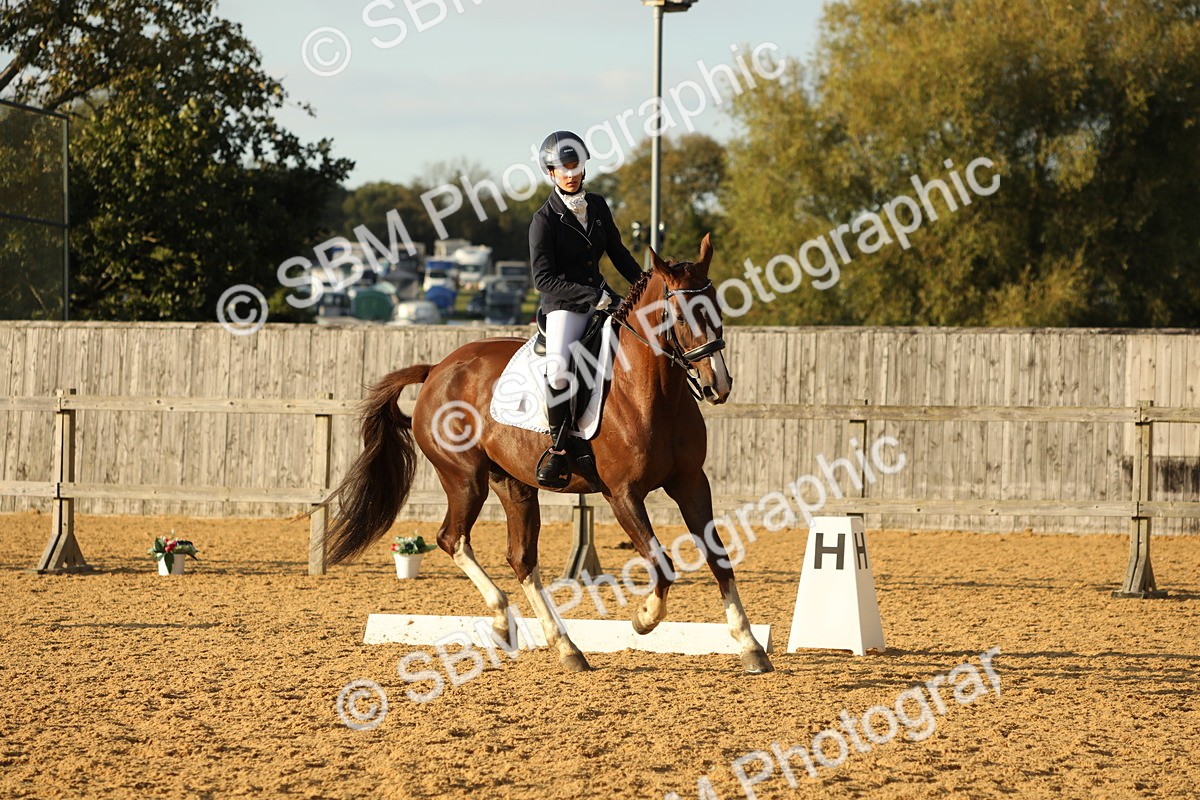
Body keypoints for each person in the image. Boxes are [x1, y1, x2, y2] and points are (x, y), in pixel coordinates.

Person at [529, 130, 643, 489]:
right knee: (561, 368)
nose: (570, 173)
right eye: (562, 168)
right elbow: (543, 279)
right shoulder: (543, 220)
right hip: (565, 305)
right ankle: (559, 448)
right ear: (550, 173)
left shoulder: (597, 205)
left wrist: (647, 286)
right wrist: (591, 297)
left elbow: (619, 253)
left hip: (604, 297)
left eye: (574, 165)